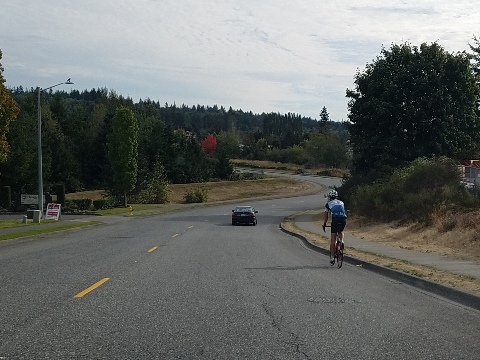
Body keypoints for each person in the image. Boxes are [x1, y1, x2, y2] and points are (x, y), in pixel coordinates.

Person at [323, 189, 347, 265]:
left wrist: (324, 224)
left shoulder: (328, 204)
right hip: (343, 219)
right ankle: (342, 241)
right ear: (336, 196)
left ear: (330, 197)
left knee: (333, 239)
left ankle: (332, 257)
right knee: (341, 231)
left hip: (335, 219)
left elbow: (326, 217)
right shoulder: (341, 202)